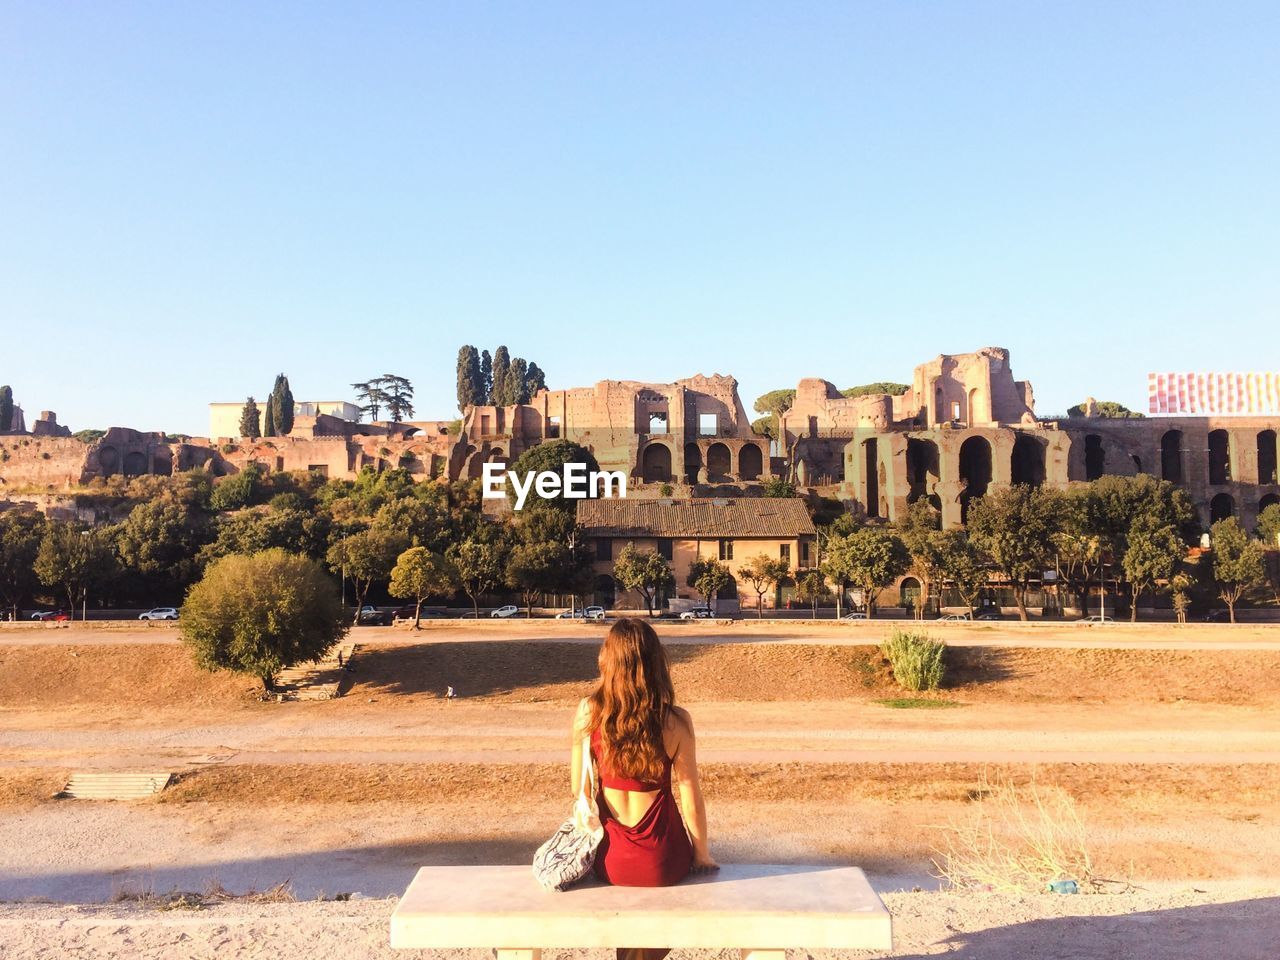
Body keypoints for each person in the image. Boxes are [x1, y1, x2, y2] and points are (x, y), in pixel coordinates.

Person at [571, 618, 718, 960]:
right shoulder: (677, 721)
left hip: (610, 859)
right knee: (658, 929)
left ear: (607, 661)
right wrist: (701, 853)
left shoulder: (588, 712)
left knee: (634, 936)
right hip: (665, 859)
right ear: (657, 663)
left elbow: (578, 786)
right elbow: (690, 794)